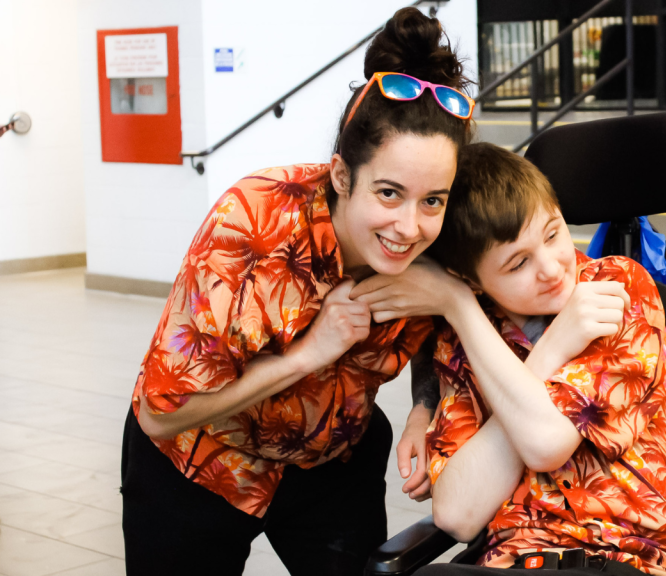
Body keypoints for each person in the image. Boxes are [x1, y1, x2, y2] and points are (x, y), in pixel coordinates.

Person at [120, 8, 473, 575]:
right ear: (340, 176)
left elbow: (443, 329)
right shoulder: (253, 225)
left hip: (331, 462)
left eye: (432, 199)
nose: (410, 226)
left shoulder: (441, 238)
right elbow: (162, 415)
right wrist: (310, 352)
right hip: (199, 459)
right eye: (388, 193)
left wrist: (424, 406)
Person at [351, 143, 666, 576]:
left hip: (623, 557)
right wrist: (469, 312)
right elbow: (457, 514)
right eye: (518, 263)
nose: (552, 270)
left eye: (553, 234)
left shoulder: (614, 289)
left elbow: (547, 443)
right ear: (471, 281)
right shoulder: (465, 338)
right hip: (509, 562)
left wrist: (465, 311)